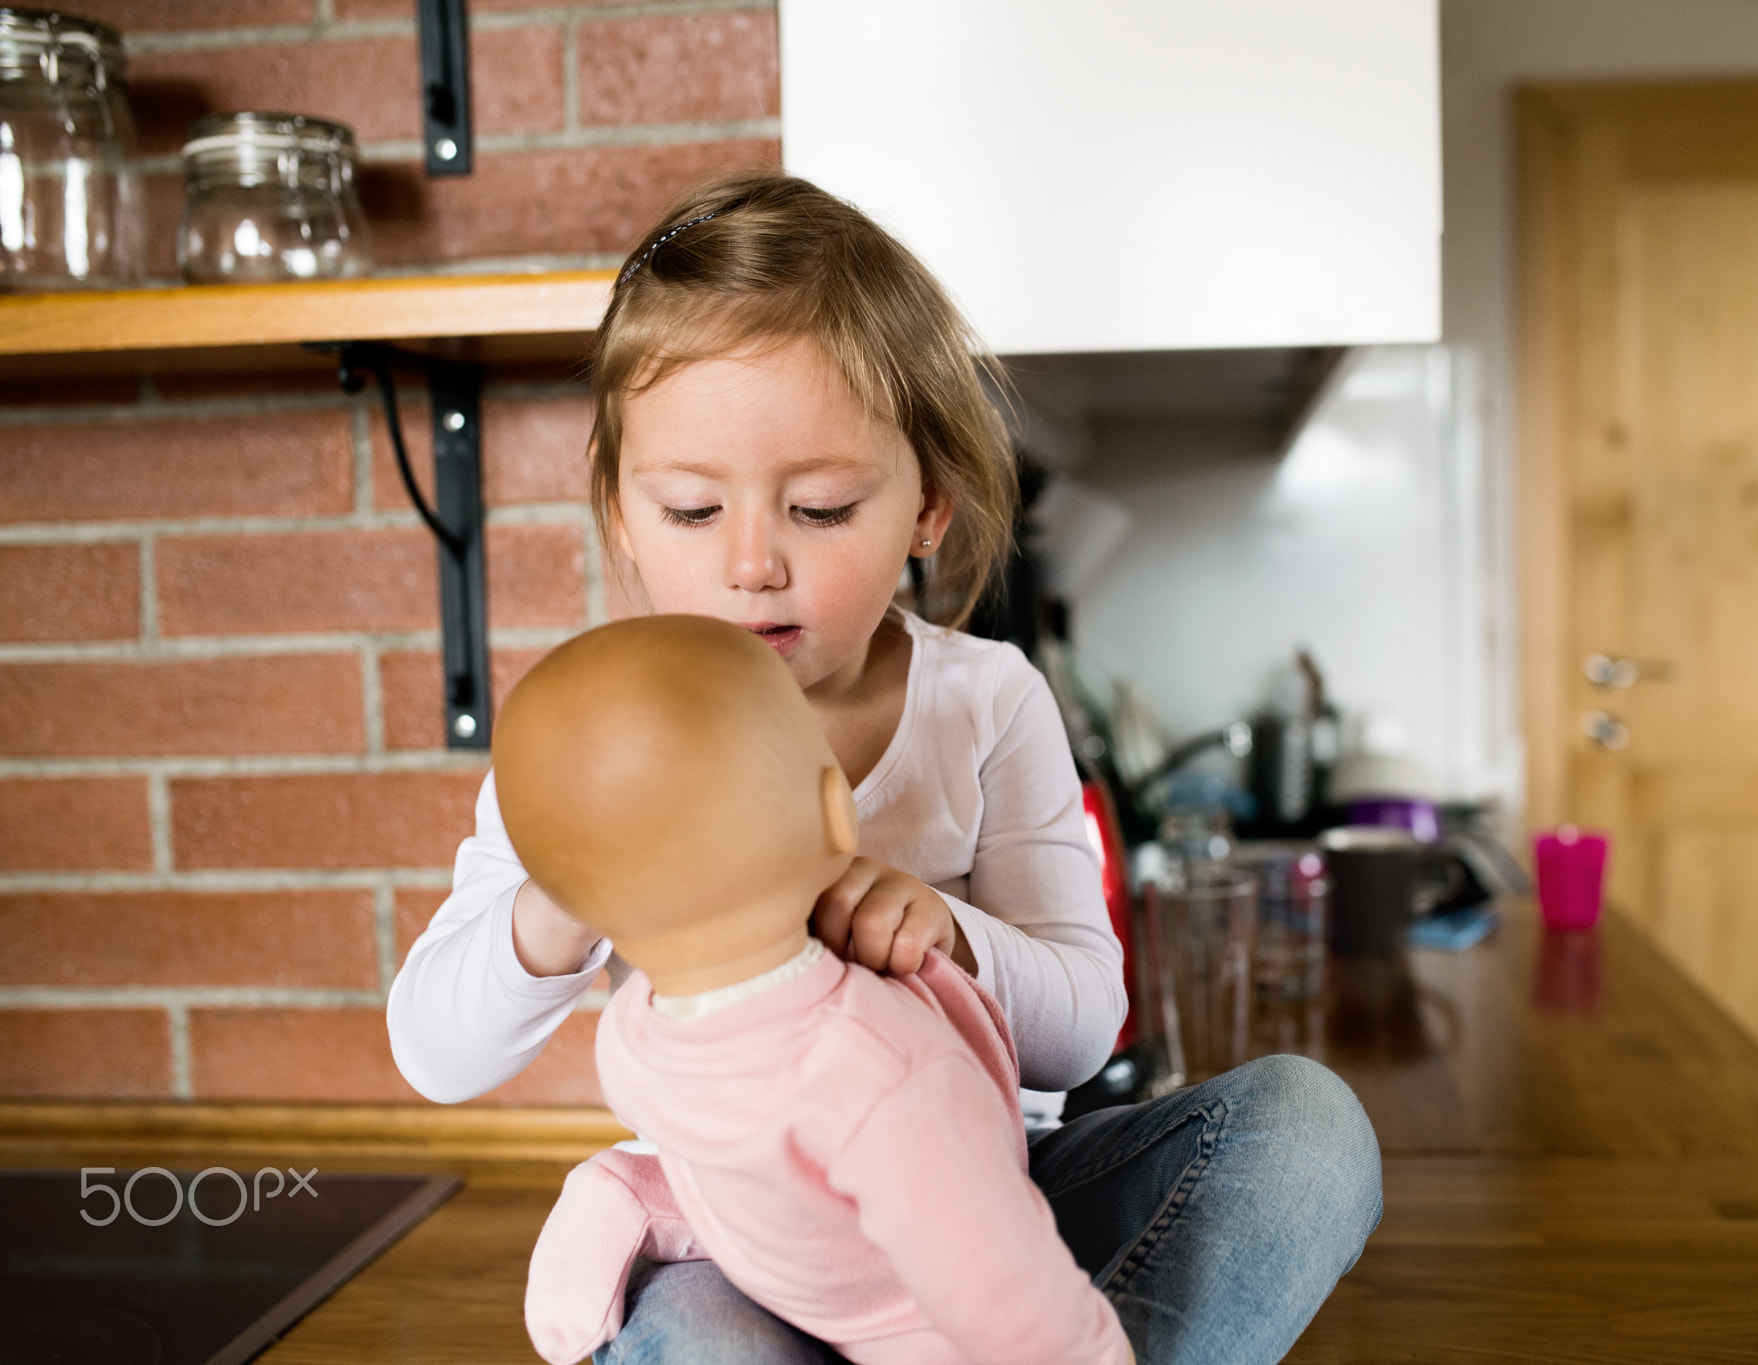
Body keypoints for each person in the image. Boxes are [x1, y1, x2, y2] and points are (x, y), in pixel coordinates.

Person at [385, 172, 1382, 1365]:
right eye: (693, 511)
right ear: (620, 512)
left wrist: (951, 933)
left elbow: (1081, 1027)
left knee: (1305, 1130)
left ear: (928, 503)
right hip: (743, 1242)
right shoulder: (604, 738)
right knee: (696, 1340)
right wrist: (572, 886)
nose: (753, 564)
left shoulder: (985, 701)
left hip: (994, 1198)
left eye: (818, 507)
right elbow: (434, 1056)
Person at [499, 615, 1133, 1365]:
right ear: (840, 813)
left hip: (766, 1243)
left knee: (718, 1188)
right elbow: (999, 1289)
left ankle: (622, 1192)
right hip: (906, 1316)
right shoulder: (881, 1064)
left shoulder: (633, 1033)